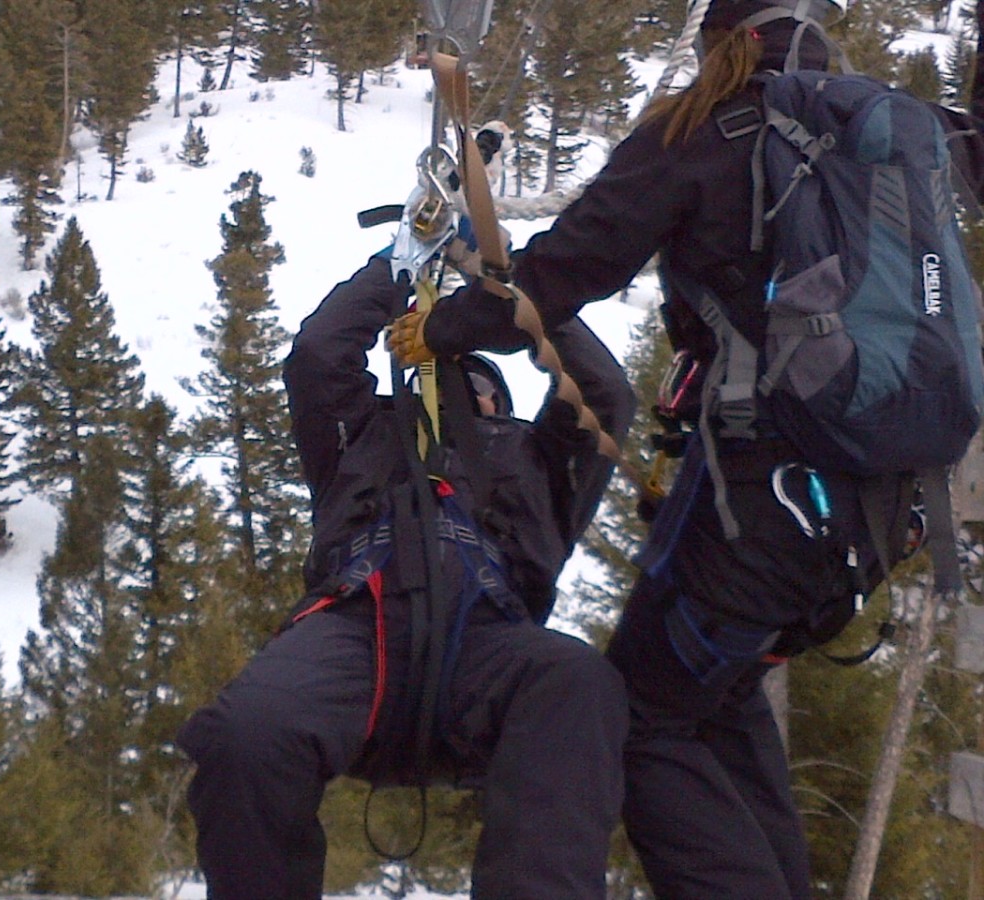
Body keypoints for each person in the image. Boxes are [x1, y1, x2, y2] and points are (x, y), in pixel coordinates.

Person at [404, 1, 984, 897]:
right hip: (877, 522)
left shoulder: (703, 132)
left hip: (761, 521)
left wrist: (442, 328)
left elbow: (563, 273)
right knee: (714, 704)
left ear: (727, 43)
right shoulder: (896, 129)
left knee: (638, 719)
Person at [176, 253, 636, 899]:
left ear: (499, 403)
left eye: (470, 380)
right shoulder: (360, 437)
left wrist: (515, 292)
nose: (452, 389)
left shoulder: (538, 458)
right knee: (246, 731)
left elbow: (604, 393)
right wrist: (401, 260)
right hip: (355, 626)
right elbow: (320, 354)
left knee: (579, 681)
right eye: (434, 377)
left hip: (486, 645)